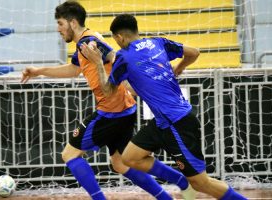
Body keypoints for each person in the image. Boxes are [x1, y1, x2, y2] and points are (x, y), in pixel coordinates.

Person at [22, 1, 196, 200]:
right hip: (125, 108)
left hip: (111, 110)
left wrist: (140, 84)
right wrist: (39, 71)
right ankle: (179, 184)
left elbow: (115, 56)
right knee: (120, 164)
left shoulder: (87, 42)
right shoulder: (86, 42)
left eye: (60, 24)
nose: (58, 29)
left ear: (72, 22)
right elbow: (73, 69)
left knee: (69, 154)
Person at [80, 13, 248, 200]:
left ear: (119, 37)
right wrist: (179, 68)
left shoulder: (124, 57)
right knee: (129, 158)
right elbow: (194, 53)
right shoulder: (158, 42)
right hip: (162, 122)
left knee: (201, 183)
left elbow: (108, 91)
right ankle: (179, 179)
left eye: (116, 40)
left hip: (177, 123)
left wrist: (97, 63)